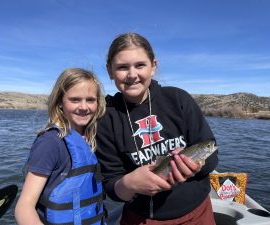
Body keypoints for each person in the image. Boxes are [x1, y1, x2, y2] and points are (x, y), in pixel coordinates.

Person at [95, 33, 218, 225]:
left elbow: (212, 155)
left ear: (153, 66)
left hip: (198, 213)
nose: (132, 74)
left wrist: (194, 167)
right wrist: (128, 183)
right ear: (110, 71)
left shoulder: (179, 99)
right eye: (122, 67)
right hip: (142, 218)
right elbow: (111, 186)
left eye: (140, 65)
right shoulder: (105, 119)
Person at [15, 68, 106, 225]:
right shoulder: (51, 142)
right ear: (60, 103)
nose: (84, 107)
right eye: (75, 99)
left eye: (90, 100)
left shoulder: (93, 136)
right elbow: (24, 207)